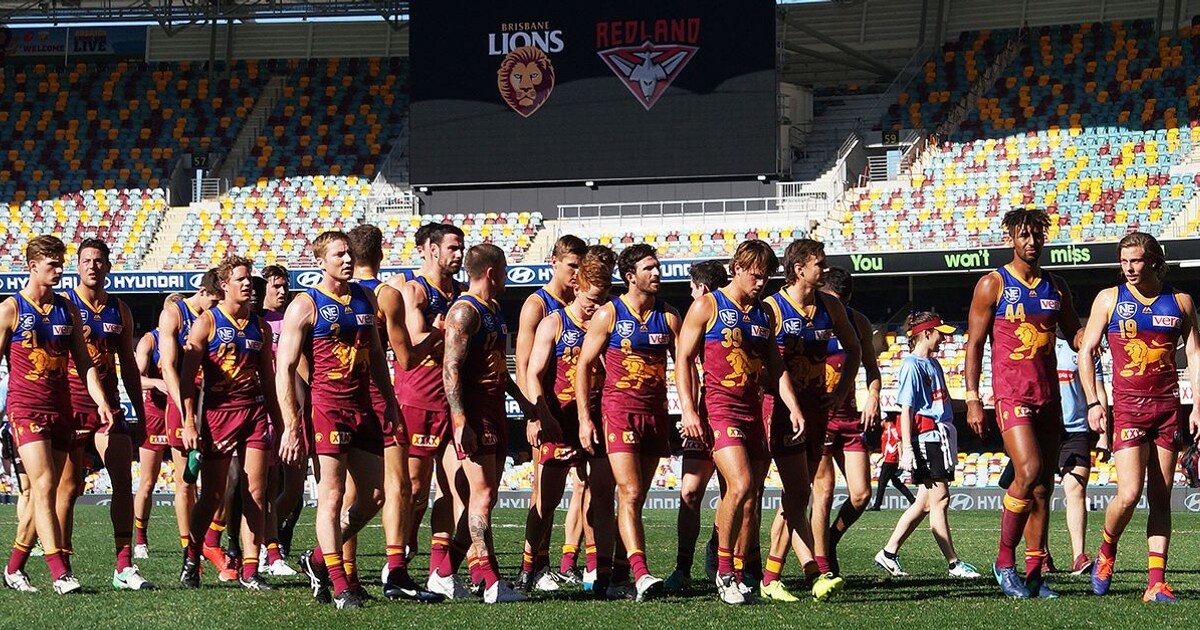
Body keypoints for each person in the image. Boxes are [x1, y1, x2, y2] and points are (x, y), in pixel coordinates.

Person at [676, 240, 808, 605]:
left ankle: (737, 571)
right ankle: (722, 573)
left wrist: (792, 406)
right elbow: (684, 359)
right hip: (719, 409)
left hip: (753, 411)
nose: (760, 282)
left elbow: (775, 365)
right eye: (754, 274)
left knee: (751, 498)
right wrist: (688, 410)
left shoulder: (763, 313)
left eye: (765, 277)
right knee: (741, 483)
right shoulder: (707, 305)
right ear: (736, 267)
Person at [277, 230, 398, 609]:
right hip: (327, 408)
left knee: (375, 495)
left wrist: (390, 401)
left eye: (348, 253)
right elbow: (285, 368)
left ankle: (317, 560)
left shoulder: (365, 297)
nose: (346, 260)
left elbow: (377, 353)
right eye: (338, 255)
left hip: (363, 408)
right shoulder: (305, 305)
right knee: (330, 495)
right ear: (320, 261)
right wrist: (292, 424)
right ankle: (340, 582)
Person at [964, 208, 1081, 598]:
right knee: (1028, 470)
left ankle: (1035, 573)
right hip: (1011, 395)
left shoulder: (1057, 286)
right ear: (1011, 239)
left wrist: (1099, 333)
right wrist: (973, 398)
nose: (1031, 243)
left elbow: (1074, 332)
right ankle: (1003, 562)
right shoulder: (992, 285)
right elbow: (975, 345)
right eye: (1023, 236)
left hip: (1049, 396)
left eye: (1037, 236)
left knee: (1044, 487)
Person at [1079, 232, 1200, 603]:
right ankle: (1106, 550)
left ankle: (1156, 582)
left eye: (1136, 261)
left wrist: (1198, 405)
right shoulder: (1109, 299)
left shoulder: (1180, 302)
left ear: (1153, 261)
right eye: (1124, 262)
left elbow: (1194, 354)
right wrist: (1093, 403)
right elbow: (1086, 353)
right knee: (1129, 494)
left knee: (1161, 496)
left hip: (1166, 407)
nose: (1129, 269)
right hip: (1129, 407)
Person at [0, 235, 115, 594]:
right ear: (32, 266)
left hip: (62, 409)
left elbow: (84, 362)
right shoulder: (10, 309)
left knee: (44, 492)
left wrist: (100, 400)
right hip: (26, 407)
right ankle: (60, 571)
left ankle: (14, 568)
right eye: (52, 264)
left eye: (61, 262)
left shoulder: (67, 308)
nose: (60, 270)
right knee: (45, 484)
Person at [576, 244, 681, 602]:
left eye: (658, 267)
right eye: (649, 268)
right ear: (629, 276)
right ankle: (640, 573)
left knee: (637, 497)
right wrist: (584, 419)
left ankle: (618, 573)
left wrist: (692, 408)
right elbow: (583, 366)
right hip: (618, 412)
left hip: (655, 414)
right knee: (630, 492)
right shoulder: (608, 314)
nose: (657, 273)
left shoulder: (668, 317)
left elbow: (683, 366)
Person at [759, 239, 859, 602]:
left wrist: (841, 388)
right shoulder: (771, 308)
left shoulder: (830, 306)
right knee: (797, 493)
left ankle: (773, 577)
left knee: (797, 495)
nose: (825, 270)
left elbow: (855, 349)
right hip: (782, 410)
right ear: (800, 269)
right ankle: (804, 572)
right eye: (820, 264)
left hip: (818, 409)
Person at [345, 223, 441, 601]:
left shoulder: (333, 295)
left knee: (351, 490)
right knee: (397, 486)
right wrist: (436, 331)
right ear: (381, 253)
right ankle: (395, 570)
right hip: (381, 396)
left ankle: (343, 572)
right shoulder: (387, 294)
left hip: (343, 397)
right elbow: (407, 358)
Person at [178, 256, 283, 591]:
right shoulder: (207, 322)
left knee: (256, 490)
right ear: (224, 285)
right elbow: (186, 378)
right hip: (218, 416)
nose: (248, 284)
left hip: (253, 413)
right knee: (211, 495)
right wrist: (189, 423)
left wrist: (279, 422)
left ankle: (251, 569)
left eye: (249, 278)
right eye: (240, 279)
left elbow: (268, 379)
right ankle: (192, 556)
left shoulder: (260, 327)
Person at [442, 243, 535, 603]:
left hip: (496, 408)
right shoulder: (464, 312)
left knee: (485, 498)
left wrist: (524, 402)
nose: (508, 276)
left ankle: (444, 571)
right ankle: (491, 582)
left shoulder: (493, 309)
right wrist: (460, 418)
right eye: (506, 269)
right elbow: (450, 367)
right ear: (493, 272)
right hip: (476, 413)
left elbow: (497, 364)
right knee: (482, 496)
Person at [523, 245, 617, 599]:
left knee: (600, 495)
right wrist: (541, 413)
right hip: (560, 422)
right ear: (576, 287)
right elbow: (533, 372)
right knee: (546, 501)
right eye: (592, 298)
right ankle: (529, 566)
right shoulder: (555, 322)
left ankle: (598, 573)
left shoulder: (608, 322)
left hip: (597, 420)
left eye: (603, 297)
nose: (596, 305)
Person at [61, 238, 151, 591]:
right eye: (86, 260)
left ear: (108, 266)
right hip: (71, 403)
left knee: (123, 483)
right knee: (68, 487)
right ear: (78, 266)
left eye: (99, 260)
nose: (93, 266)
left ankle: (124, 566)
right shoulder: (65, 304)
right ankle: (63, 564)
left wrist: (141, 413)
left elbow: (128, 365)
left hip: (109, 407)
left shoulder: (120, 310)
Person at [395, 223, 473, 600]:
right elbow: (411, 345)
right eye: (453, 248)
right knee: (413, 491)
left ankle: (439, 571)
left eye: (461, 248)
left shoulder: (460, 293)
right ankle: (401, 557)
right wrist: (441, 330)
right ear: (429, 249)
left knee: (456, 486)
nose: (458, 255)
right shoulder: (414, 290)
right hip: (418, 399)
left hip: (452, 401)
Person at [874, 312, 980, 580]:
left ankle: (888, 553)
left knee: (924, 503)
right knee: (940, 499)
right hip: (928, 438)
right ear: (926, 334)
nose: (944, 338)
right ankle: (954, 563)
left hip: (939, 436)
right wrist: (907, 447)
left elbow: (941, 403)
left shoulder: (932, 365)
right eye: (939, 333)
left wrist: (972, 404)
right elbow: (906, 410)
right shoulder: (911, 366)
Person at [515, 234, 585, 593]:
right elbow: (525, 364)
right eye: (571, 265)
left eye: (581, 266)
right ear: (554, 262)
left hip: (579, 413)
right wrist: (533, 414)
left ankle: (570, 560)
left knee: (582, 489)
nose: (576, 273)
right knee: (543, 494)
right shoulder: (537, 304)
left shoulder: (582, 303)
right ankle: (536, 564)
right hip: (549, 411)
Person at [157, 268, 229, 579]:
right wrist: (185, 410)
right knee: (187, 481)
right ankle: (191, 552)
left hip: (217, 403)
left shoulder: (216, 317)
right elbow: (169, 367)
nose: (217, 307)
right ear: (203, 292)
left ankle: (209, 541)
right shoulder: (175, 314)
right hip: (183, 402)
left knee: (226, 481)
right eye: (214, 300)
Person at [810, 266, 881, 577]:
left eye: (841, 302)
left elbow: (871, 367)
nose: (835, 308)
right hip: (819, 417)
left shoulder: (858, 322)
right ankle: (823, 564)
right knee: (823, 491)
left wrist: (873, 396)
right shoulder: (809, 318)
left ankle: (831, 537)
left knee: (862, 493)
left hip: (849, 417)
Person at [665, 260, 728, 592]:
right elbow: (684, 364)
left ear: (701, 288)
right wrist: (689, 411)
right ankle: (683, 567)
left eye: (691, 288)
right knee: (690, 492)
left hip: (729, 416)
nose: (691, 294)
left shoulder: (725, 313)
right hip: (701, 415)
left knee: (732, 492)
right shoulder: (696, 319)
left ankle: (721, 550)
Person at [132, 293, 185, 560]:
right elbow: (133, 378)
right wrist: (156, 383)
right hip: (154, 414)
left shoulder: (188, 337)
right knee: (148, 481)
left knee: (185, 481)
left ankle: (189, 539)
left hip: (181, 412)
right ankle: (140, 539)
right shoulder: (150, 341)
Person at [1052, 333, 1108, 575]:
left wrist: (1104, 434)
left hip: (1076, 431)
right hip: (1043, 429)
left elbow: (1099, 390)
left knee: (1076, 489)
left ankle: (1079, 556)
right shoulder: (1041, 341)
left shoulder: (1086, 346)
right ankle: (1040, 554)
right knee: (1038, 493)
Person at [259, 264, 303, 568]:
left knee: (296, 488)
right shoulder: (255, 321)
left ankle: (275, 539)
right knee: (262, 485)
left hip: (293, 409)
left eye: (285, 285)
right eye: (275, 286)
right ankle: (261, 546)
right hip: (262, 410)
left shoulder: (294, 317)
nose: (282, 291)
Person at [2, 366, 40, 593]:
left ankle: (29, 537)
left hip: (26, 428)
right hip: (18, 430)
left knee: (33, 489)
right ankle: (26, 537)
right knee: (29, 489)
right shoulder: (11, 379)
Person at [867, 414, 916, 510]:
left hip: (891, 460)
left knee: (882, 481)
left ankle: (877, 505)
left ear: (884, 420)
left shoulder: (891, 429)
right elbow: (888, 445)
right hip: (888, 459)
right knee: (896, 482)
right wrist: (882, 456)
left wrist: (900, 458)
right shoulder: (887, 430)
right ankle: (912, 500)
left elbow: (898, 442)